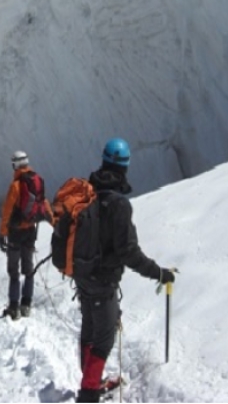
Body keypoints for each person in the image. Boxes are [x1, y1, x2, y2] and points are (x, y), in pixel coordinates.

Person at [73, 138, 176, 403]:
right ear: (125, 166)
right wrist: (159, 273)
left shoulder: (88, 193)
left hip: (82, 276)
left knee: (90, 330)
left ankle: (91, 382)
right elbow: (128, 252)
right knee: (104, 340)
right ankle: (88, 393)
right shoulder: (118, 204)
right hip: (102, 281)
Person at [0, 150, 53, 320]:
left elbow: (7, 210)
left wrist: (2, 233)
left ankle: (14, 307)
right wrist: (54, 222)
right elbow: (43, 202)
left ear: (15, 164)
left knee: (14, 271)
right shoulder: (36, 181)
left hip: (15, 233)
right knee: (28, 270)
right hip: (30, 231)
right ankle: (26, 305)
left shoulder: (16, 185)